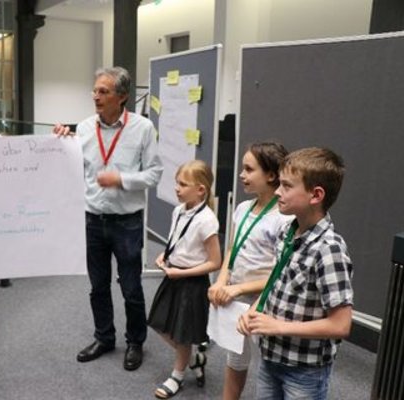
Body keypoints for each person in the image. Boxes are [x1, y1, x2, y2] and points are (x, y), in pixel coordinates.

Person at [54, 66, 163, 371]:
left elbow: (155, 174)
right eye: (95, 90)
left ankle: (135, 342)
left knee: (130, 286)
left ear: (122, 96)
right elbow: (70, 164)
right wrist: (60, 140)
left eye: (104, 91)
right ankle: (104, 337)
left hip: (127, 221)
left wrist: (122, 179)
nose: (96, 97)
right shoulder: (86, 128)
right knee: (97, 285)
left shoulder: (142, 128)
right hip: (92, 220)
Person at [237, 147, 353, 400]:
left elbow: (341, 324)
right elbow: (277, 283)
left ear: (316, 195)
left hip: (303, 370)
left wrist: (277, 326)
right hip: (271, 357)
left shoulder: (329, 250)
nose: (278, 191)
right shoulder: (288, 232)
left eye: (287, 186)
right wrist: (255, 308)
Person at [208, 142, 291, 400]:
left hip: (265, 302)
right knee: (236, 358)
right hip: (237, 298)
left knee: (270, 366)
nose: (242, 174)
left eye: (248, 169)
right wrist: (222, 281)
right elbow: (232, 248)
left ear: (271, 175)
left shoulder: (284, 218)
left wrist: (238, 288)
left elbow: (281, 271)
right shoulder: (243, 209)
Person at [147, 160, 221, 398]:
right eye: (176, 183)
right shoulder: (178, 210)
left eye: (183, 184)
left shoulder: (207, 219)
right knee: (160, 324)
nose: (177, 188)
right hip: (173, 276)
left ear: (201, 189)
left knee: (181, 334)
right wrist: (164, 255)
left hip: (191, 282)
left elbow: (215, 262)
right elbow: (178, 241)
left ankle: (177, 376)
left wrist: (182, 272)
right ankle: (194, 360)